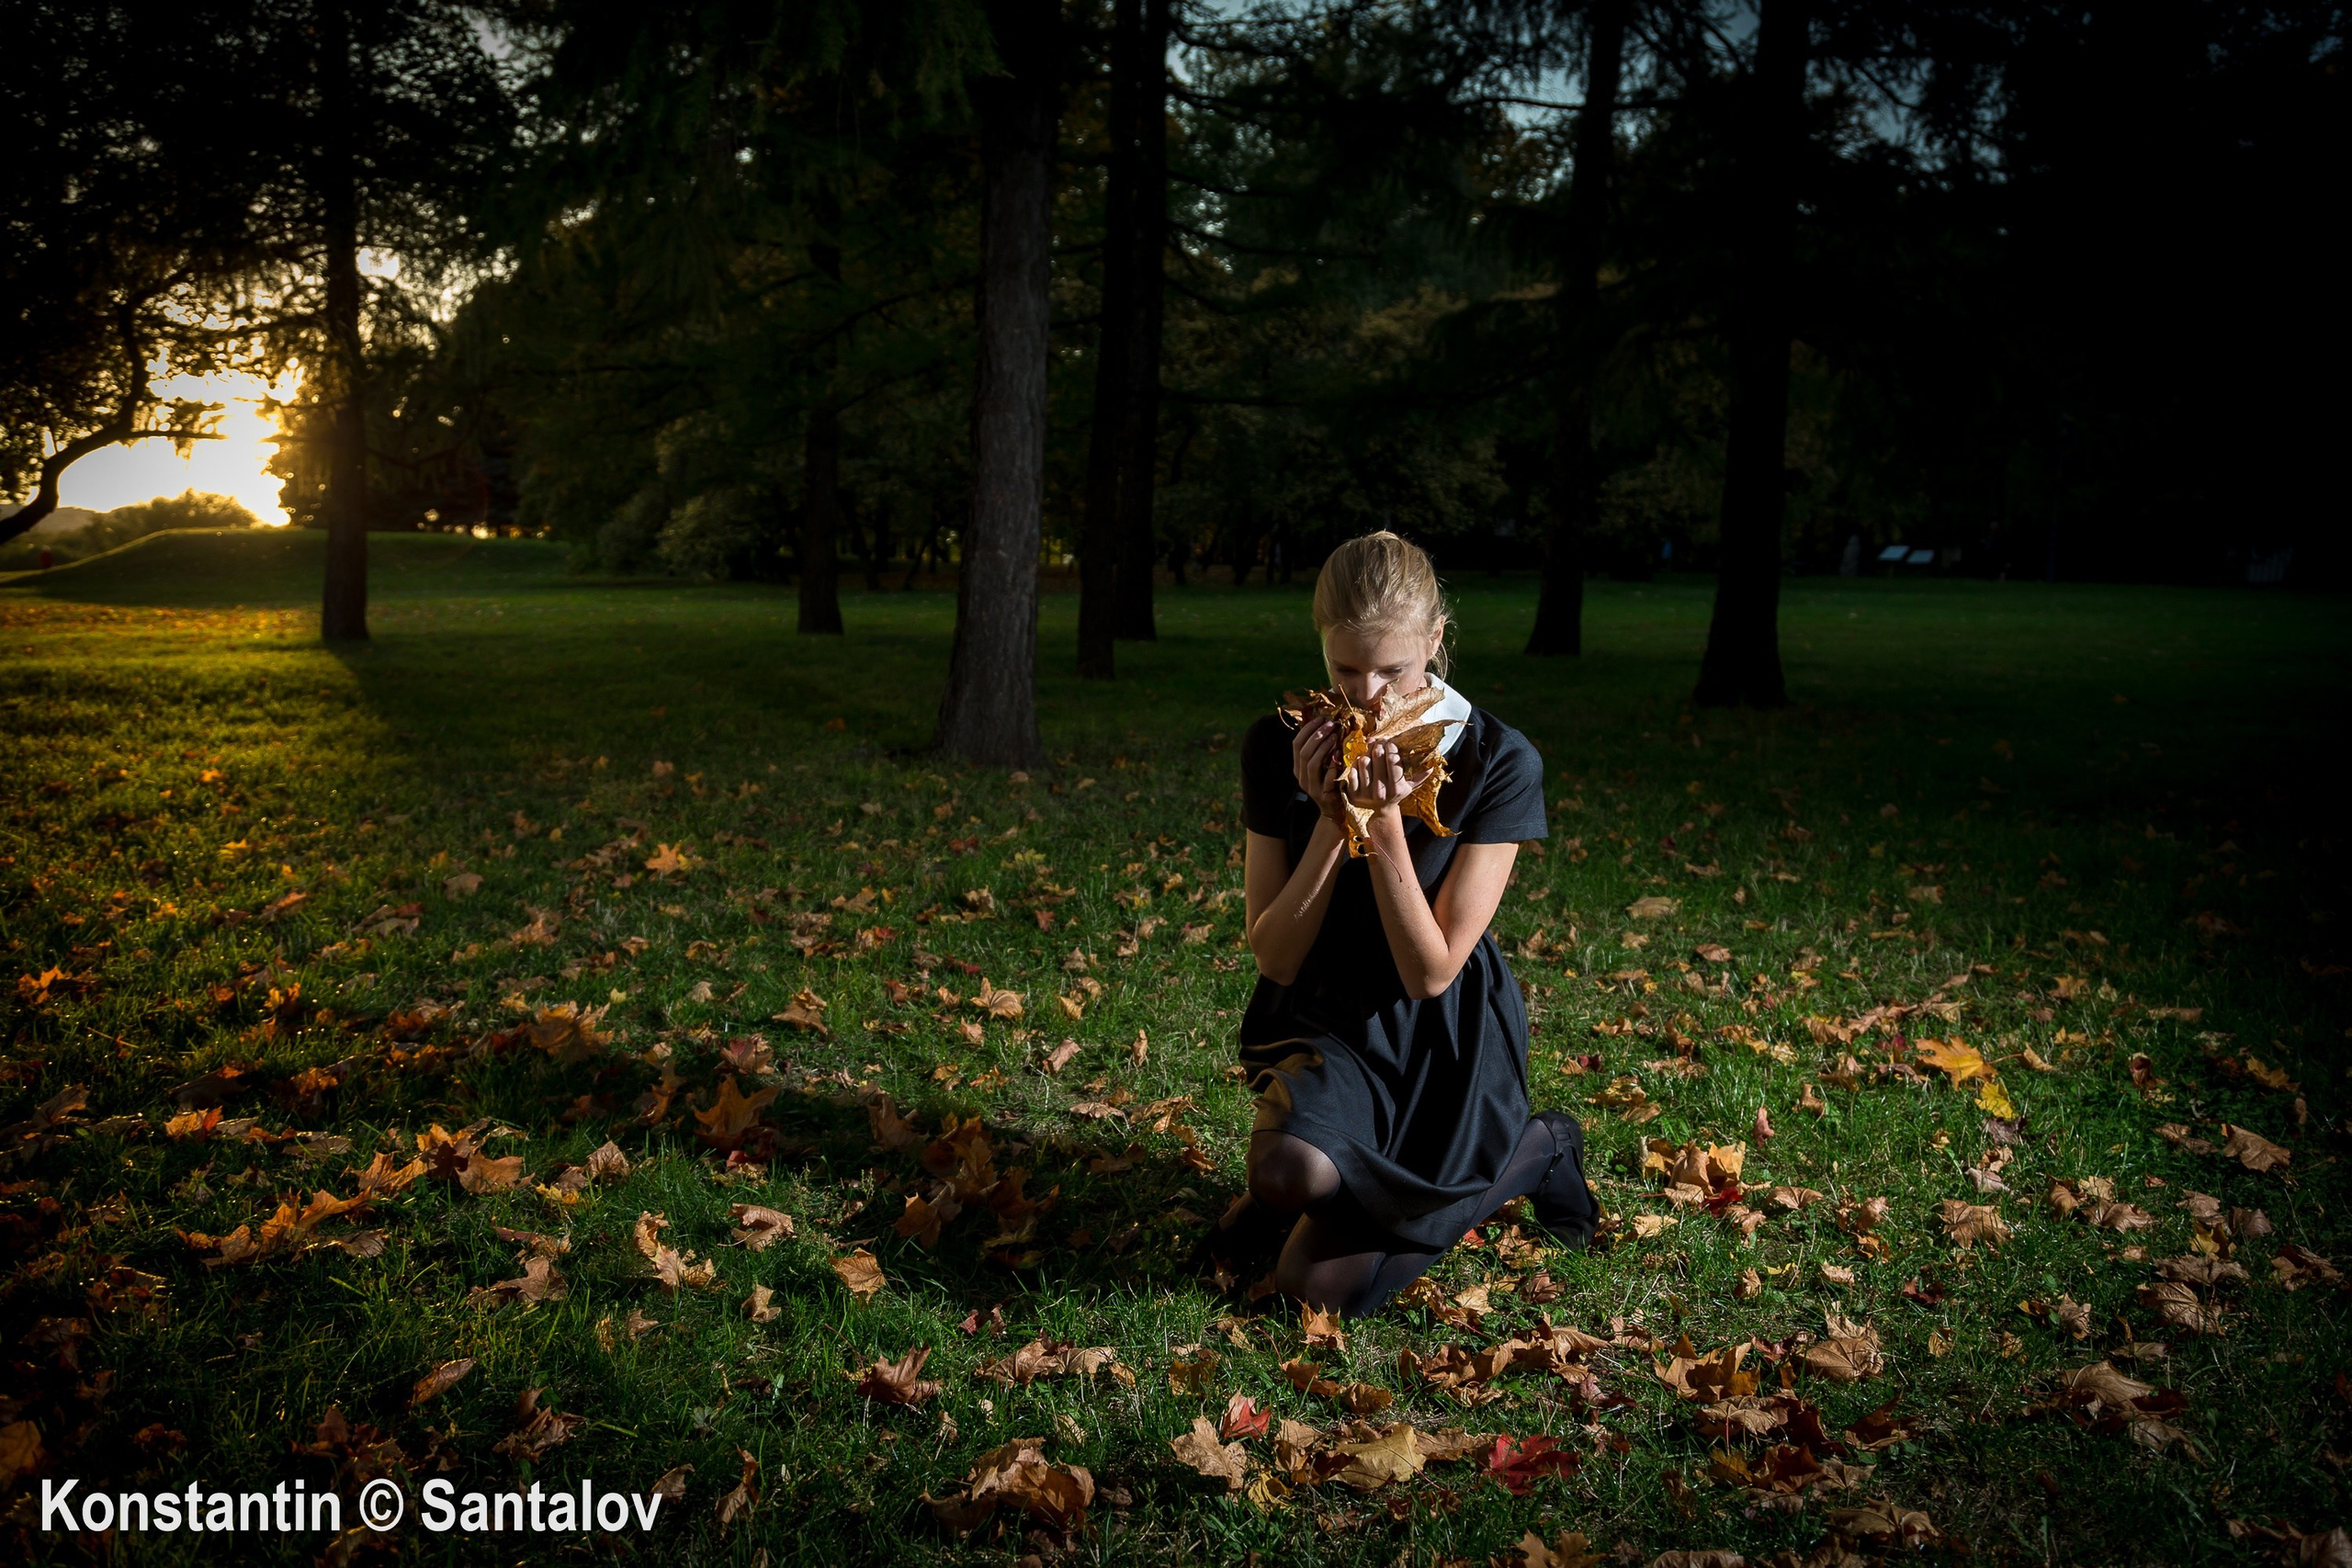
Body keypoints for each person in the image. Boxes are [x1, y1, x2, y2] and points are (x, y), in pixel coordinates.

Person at [1200, 531, 1597, 1315]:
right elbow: (1275, 957)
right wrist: (1327, 820)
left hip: (1438, 1036)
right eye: (1345, 667)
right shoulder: (1278, 744)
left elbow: (1431, 970)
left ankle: (1539, 1149)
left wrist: (1381, 825)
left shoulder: (1498, 759)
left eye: (1393, 668)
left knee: (1312, 1293)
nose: (1368, 693)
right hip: (1328, 1013)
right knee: (1280, 1174)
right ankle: (1306, 1192)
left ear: (1436, 643)